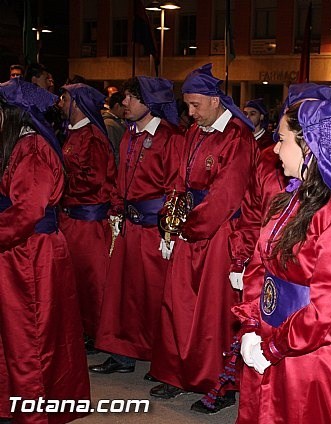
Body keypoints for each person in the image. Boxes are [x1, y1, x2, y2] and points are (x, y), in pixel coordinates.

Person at [233, 98, 331, 424]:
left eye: (282, 139)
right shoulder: (293, 198)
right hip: (276, 338)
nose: (274, 150)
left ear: (310, 147)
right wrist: (250, 324)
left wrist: (274, 347)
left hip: (317, 354)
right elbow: (262, 264)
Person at [149, 63, 257, 400]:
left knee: (213, 313)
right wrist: (171, 214)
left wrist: (190, 227)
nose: (191, 113)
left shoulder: (237, 137)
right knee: (178, 304)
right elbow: (177, 180)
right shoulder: (194, 133)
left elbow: (226, 194)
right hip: (189, 229)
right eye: (188, 106)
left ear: (215, 100)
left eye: (196, 105)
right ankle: (176, 372)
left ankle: (217, 383)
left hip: (218, 233)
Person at [0, 77, 91, 423]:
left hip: (31, 254)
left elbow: (27, 212)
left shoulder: (33, 150)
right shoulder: (19, 146)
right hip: (20, 251)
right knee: (16, 333)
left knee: (31, 335)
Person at [91, 76, 183, 374]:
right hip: (128, 228)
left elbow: (176, 186)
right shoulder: (130, 135)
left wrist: (169, 229)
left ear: (150, 101)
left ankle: (161, 357)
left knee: (154, 296)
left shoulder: (170, 138)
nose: (125, 102)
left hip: (154, 231)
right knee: (124, 293)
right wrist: (117, 208)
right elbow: (119, 178)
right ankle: (123, 354)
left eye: (131, 97)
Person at [57, 83, 117, 352]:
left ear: (78, 103)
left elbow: (96, 180)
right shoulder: (71, 134)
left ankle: (97, 333)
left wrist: (59, 183)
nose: (60, 102)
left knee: (93, 282)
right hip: (72, 220)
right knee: (75, 281)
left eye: (64, 98)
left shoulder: (92, 137)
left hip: (88, 223)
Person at [102, 91, 126, 165]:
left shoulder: (118, 121)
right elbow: (112, 151)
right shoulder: (109, 124)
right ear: (117, 106)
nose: (126, 110)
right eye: (124, 107)